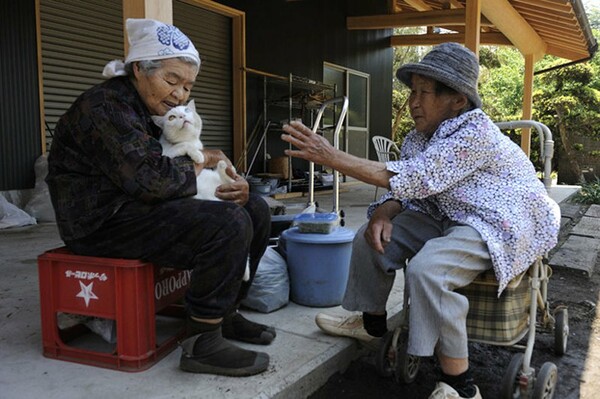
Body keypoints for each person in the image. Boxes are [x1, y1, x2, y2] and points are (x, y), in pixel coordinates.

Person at [281, 42, 560, 399]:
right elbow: (407, 186)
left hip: (496, 221)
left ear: (457, 100)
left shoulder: (476, 132)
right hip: (444, 214)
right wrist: (384, 210)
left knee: (428, 269)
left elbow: (419, 176)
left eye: (423, 92)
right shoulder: (417, 137)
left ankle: (461, 385)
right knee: (369, 233)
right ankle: (373, 325)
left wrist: (332, 156)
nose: (413, 101)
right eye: (412, 91)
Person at [46, 18, 274, 377]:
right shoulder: (105, 107)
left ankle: (223, 313)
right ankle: (202, 343)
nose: (180, 95)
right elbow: (153, 180)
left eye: (187, 86)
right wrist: (210, 157)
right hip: (99, 222)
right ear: (139, 68)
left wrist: (231, 181)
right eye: (171, 80)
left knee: (254, 207)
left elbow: (165, 174)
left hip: (136, 208)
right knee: (228, 222)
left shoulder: (145, 106)